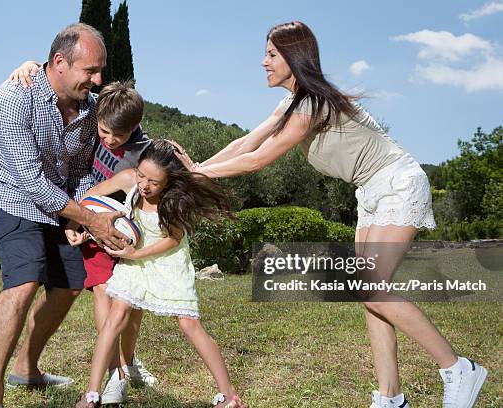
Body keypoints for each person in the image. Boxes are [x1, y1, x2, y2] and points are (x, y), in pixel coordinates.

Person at [175, 20, 487, 408]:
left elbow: (258, 160)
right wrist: (196, 169)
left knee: (374, 287)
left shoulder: (312, 103)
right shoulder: (291, 103)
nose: (263, 62)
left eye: (271, 54)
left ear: (293, 56)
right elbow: (246, 142)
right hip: (370, 191)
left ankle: (458, 368)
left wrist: (198, 172)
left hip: (396, 182)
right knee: (369, 292)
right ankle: (390, 397)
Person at [0, 23, 131, 408]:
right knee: (25, 281)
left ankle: (26, 369)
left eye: (100, 71)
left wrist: (77, 214)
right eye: (90, 71)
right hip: (10, 194)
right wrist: (91, 219)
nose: (97, 80)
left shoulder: (91, 108)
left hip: (59, 201)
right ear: (59, 62)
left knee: (69, 285)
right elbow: (28, 177)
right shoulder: (15, 96)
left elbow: (80, 170)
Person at [9, 64, 159, 403]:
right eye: (104, 132)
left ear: (134, 128)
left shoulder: (143, 151)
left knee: (132, 304)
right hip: (88, 225)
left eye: (116, 137)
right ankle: (114, 373)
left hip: (122, 231)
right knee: (105, 293)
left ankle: (129, 362)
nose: (107, 140)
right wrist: (29, 64)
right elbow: (64, 75)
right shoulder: (91, 122)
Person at [69, 139, 245, 408]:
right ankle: (92, 393)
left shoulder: (173, 200)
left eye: (153, 181)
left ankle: (229, 395)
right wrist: (87, 223)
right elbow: (94, 200)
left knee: (189, 324)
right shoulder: (129, 180)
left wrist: (136, 254)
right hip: (135, 262)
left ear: (167, 182)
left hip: (168, 262)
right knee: (116, 315)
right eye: (141, 175)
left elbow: (173, 240)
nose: (144, 185)